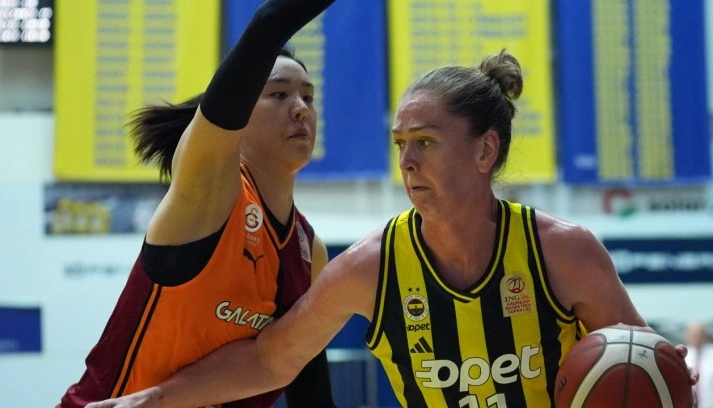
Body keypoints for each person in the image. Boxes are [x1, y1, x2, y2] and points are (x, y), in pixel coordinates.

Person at [85, 50, 695, 408]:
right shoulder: (371, 266)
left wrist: (672, 374)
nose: (407, 161)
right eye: (401, 143)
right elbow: (271, 360)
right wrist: (149, 399)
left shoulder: (564, 252)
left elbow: (645, 368)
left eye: (425, 142)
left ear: (485, 151)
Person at [57, 0, 337, 407]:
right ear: (238, 114)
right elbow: (268, 25)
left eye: (308, 97)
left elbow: (311, 390)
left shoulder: (310, 251)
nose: (300, 109)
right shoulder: (209, 191)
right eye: (279, 94)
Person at [686, 322, 713, 407]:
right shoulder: (684, 356)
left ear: (705, 335)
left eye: (699, 334)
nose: (696, 337)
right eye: (693, 334)